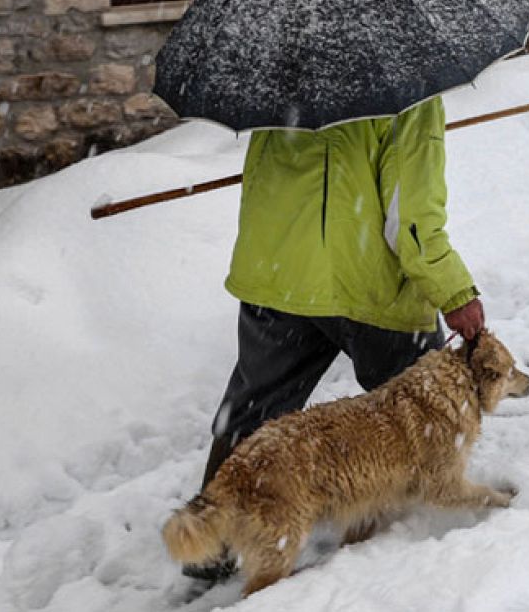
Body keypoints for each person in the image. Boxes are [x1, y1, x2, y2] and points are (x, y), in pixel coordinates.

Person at [185, 95, 485, 580]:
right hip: (366, 286)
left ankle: (210, 539)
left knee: (254, 409)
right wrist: (454, 292)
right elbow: (410, 220)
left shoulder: (286, 74)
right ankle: (419, 516)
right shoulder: (408, 96)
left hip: (278, 277)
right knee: (424, 406)